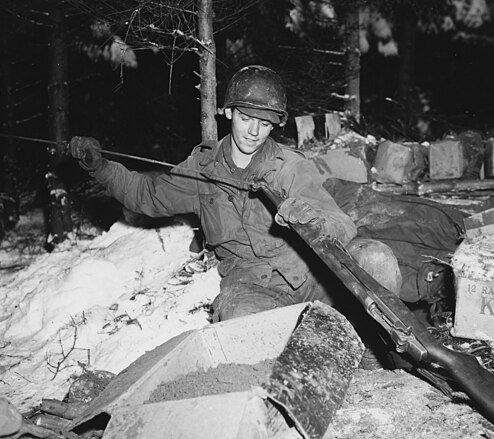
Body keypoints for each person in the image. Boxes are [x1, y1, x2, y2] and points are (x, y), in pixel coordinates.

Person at [69, 65, 402, 323]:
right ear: (228, 113)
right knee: (240, 319)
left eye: (266, 123)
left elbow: (341, 225)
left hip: (315, 278)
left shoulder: (289, 167)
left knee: (376, 259)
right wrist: (99, 168)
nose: (255, 131)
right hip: (253, 287)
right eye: (246, 118)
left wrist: (312, 221)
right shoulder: (202, 170)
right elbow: (145, 194)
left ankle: (373, 359)